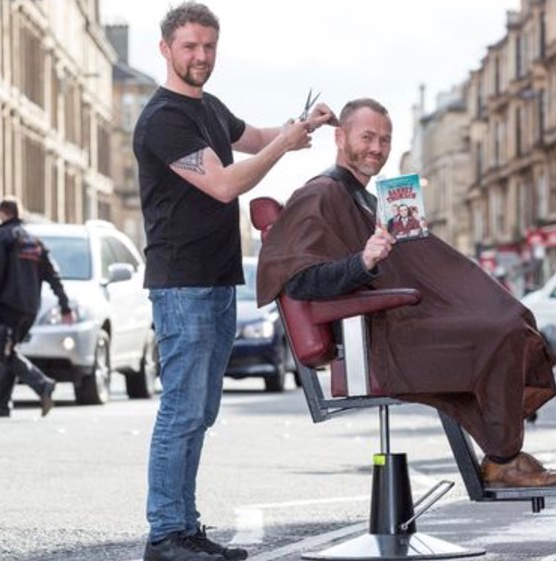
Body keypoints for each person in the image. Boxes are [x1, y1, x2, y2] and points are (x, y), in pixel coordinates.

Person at [256, 98, 556, 489]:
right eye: (367, 137)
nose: (377, 148)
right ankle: (502, 457)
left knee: (510, 320)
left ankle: (502, 454)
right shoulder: (320, 194)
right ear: (340, 137)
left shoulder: (369, 199)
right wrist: (364, 262)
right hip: (382, 338)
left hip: (400, 322)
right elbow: (301, 283)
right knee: (500, 332)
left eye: (385, 140)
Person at [132, 4, 336, 561]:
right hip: (182, 286)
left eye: (209, 47)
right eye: (190, 46)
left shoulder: (209, 108)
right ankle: (166, 535)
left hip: (217, 282)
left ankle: (184, 528)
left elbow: (259, 137)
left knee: (200, 411)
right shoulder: (164, 119)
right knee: (181, 408)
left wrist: (302, 127)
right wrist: (282, 147)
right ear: (166, 49)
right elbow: (223, 185)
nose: (201, 56)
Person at [0, 198, 72, 418]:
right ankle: (3, 405)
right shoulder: (35, 242)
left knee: (6, 351)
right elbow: (53, 276)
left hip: (8, 306)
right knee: (9, 350)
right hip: (30, 308)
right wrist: (65, 306)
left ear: (3, 214)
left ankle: (43, 385)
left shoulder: (1, 237)